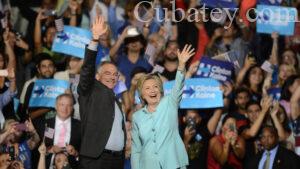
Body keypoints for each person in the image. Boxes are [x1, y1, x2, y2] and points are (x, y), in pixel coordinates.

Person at [131, 44, 195, 169]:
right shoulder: (137, 117)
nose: (152, 91)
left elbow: (178, 86)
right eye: (147, 88)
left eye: (156, 87)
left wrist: (181, 65)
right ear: (142, 95)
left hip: (172, 164)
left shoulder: (169, 103)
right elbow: (136, 150)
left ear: (161, 91)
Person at [78, 16, 126, 169]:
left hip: (116, 161)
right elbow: (87, 70)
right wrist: (94, 40)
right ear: (97, 77)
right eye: (107, 73)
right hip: (95, 160)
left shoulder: (116, 100)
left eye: (115, 74)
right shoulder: (90, 90)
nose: (112, 77)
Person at [35, 94, 81, 169]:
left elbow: (85, 154)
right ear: (56, 106)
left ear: (72, 108)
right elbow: (37, 150)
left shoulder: (80, 126)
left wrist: (75, 153)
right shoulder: (46, 124)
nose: (65, 109)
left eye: (69, 105)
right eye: (62, 104)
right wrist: (50, 150)